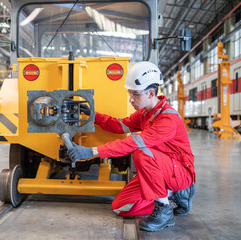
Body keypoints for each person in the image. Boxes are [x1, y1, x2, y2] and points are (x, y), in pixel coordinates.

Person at [68, 61, 196, 232]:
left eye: (135, 94)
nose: (130, 99)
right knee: (120, 207)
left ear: (151, 93)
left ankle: (165, 209)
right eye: (130, 93)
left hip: (178, 172)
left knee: (140, 153)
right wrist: (93, 116)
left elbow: (133, 143)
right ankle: (172, 196)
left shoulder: (167, 119)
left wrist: (92, 151)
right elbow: (119, 126)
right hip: (158, 172)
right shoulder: (144, 114)